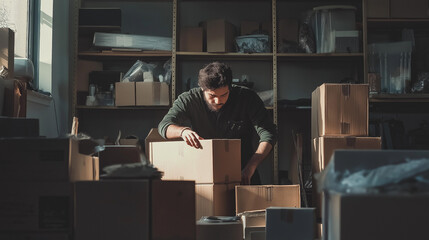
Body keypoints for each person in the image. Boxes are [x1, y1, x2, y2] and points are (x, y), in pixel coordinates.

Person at [158, 62, 276, 184]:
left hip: (244, 173)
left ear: (230, 87)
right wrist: (182, 131)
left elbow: (269, 134)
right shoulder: (189, 99)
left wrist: (251, 166)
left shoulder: (247, 97)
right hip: (204, 175)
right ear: (202, 89)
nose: (218, 100)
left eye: (224, 95)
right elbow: (164, 126)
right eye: (212, 95)